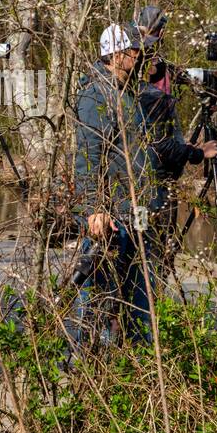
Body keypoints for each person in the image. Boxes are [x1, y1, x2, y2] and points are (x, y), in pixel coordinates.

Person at [72, 23, 163, 346]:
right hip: (111, 218)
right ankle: (91, 370)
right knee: (99, 304)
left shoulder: (130, 92)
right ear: (116, 54)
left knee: (140, 302)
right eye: (135, 50)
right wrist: (93, 210)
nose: (141, 56)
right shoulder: (95, 94)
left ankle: (138, 371)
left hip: (137, 214)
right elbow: (87, 156)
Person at [134, 5, 217, 262]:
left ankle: (151, 283)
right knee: (151, 247)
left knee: (150, 243)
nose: (158, 40)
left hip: (154, 174)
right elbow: (160, 144)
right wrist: (196, 153)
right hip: (152, 175)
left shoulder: (161, 68)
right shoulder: (142, 89)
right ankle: (150, 289)